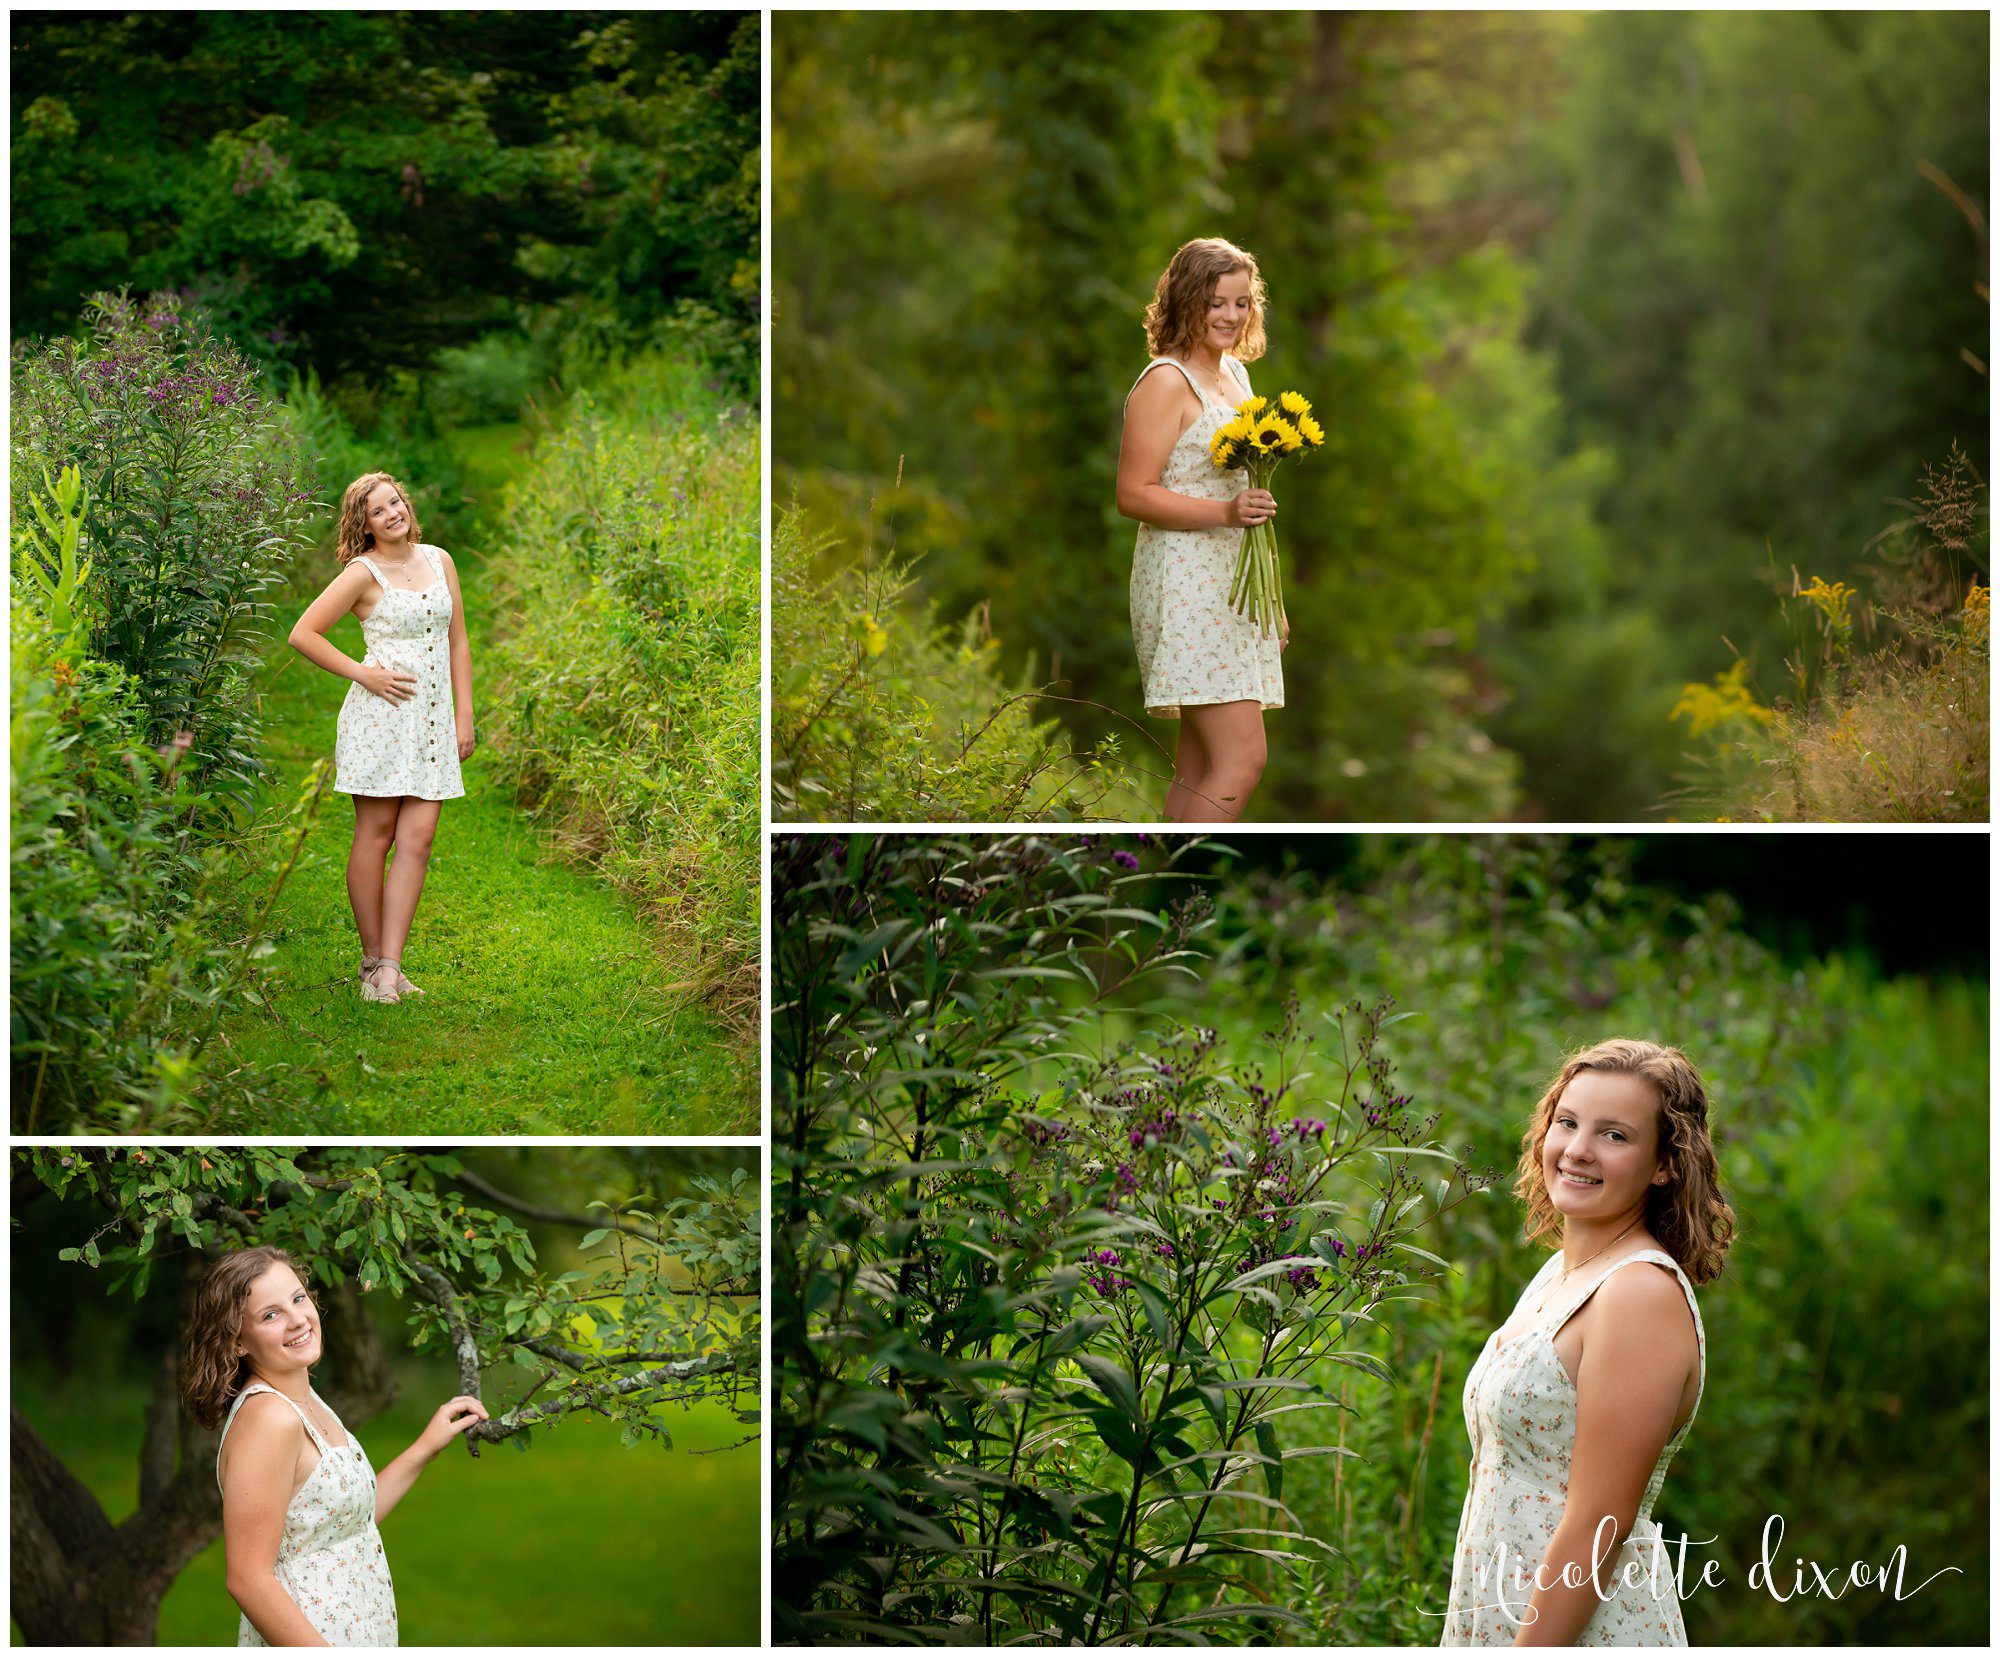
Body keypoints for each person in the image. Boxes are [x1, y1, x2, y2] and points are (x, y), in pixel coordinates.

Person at [1441, 1040, 1734, 1646]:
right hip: (1505, 1611)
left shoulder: (1639, 1295)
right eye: (1567, 1123)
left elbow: (1601, 1522)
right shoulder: (1563, 1272)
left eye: (1615, 1136)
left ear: (1665, 1164)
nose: (1577, 1150)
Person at [183, 1245, 488, 1646]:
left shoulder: (304, 1396)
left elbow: (346, 1526)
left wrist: (424, 1448)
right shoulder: (269, 1419)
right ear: (238, 1342)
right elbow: (247, 1578)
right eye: (270, 1315)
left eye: (298, 1299)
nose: (297, 1320)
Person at [1115, 236, 1285, 822]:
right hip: (1187, 582)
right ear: (1186, 301)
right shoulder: (1165, 382)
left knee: (1198, 768)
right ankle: (1192, 892)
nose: (1231, 317)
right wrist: (1224, 515)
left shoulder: (1236, 375)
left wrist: (1270, 601)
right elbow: (1132, 494)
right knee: (1243, 760)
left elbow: (1246, 495)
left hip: (1236, 584)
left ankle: (1166, 895)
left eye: (1241, 303)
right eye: (1217, 303)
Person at [289, 473, 474, 1003]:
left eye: (394, 502)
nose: (392, 513)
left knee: (419, 839)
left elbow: (458, 642)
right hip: (381, 719)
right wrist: (363, 673)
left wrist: (465, 715)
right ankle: (372, 963)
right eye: (378, 510)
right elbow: (303, 633)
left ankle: (390, 968)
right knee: (376, 835)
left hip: (433, 722)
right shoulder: (361, 574)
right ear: (364, 525)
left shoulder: (440, 560)